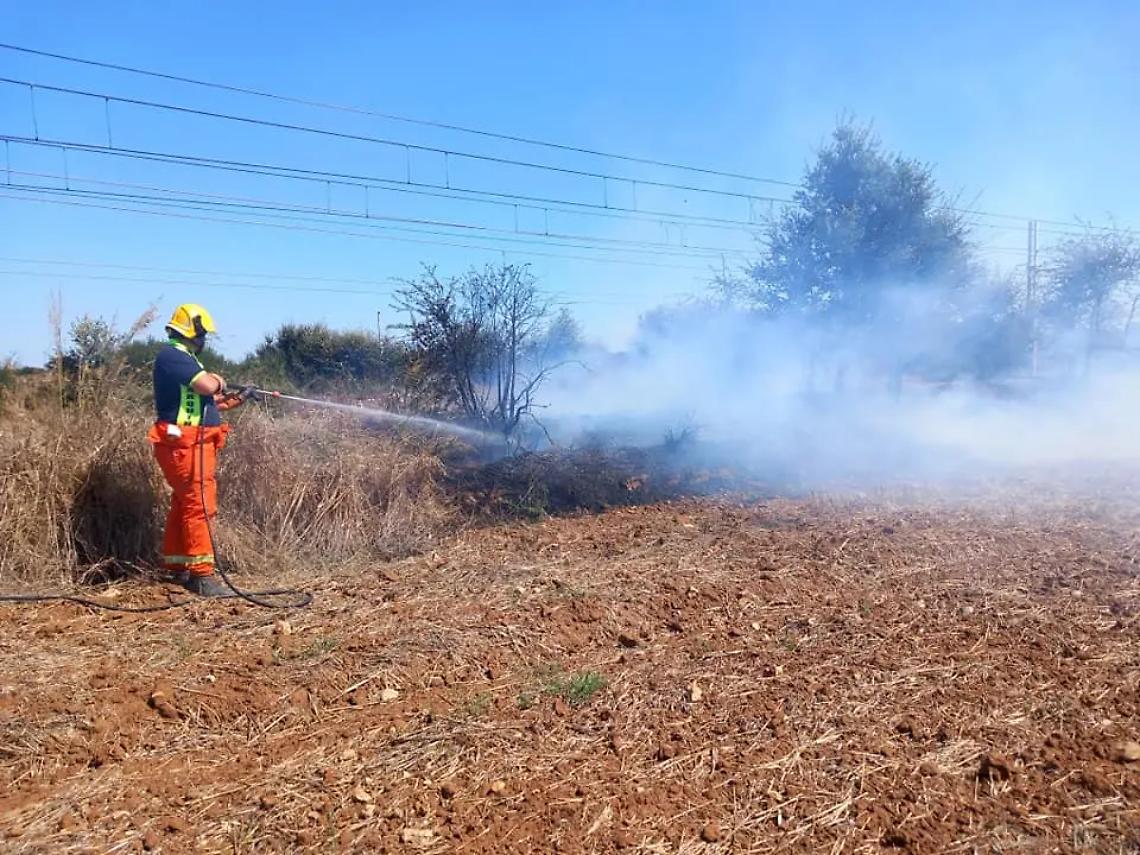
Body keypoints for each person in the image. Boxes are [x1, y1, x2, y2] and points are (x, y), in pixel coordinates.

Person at [147, 304, 249, 597]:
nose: (205, 340)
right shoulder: (173, 355)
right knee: (200, 504)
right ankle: (202, 576)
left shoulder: (183, 358)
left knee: (185, 503)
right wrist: (218, 380)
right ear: (193, 331)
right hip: (185, 447)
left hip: (192, 444)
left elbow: (200, 404)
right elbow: (206, 386)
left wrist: (236, 399)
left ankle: (178, 566)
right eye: (203, 333)